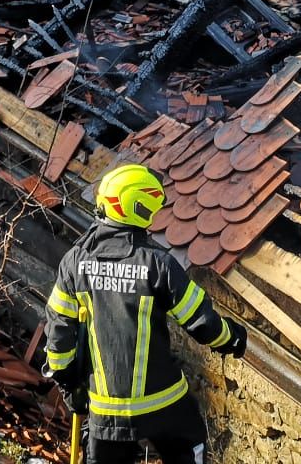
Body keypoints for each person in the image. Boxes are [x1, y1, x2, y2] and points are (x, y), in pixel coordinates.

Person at [43, 163, 247, 463]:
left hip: (106, 410)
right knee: (190, 444)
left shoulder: (75, 262)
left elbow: (58, 333)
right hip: (164, 403)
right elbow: (202, 323)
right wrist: (233, 338)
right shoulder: (157, 263)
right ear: (139, 208)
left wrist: (66, 380)